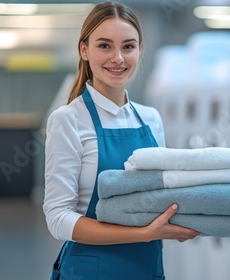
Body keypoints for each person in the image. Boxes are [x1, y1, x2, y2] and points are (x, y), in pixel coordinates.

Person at [43, 2, 200, 279]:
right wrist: (143, 234)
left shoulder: (151, 118)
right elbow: (58, 218)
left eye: (128, 46)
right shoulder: (68, 120)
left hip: (148, 268)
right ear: (84, 50)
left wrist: (180, 222)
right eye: (104, 46)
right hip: (91, 270)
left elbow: (157, 196)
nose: (118, 57)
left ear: (140, 51)